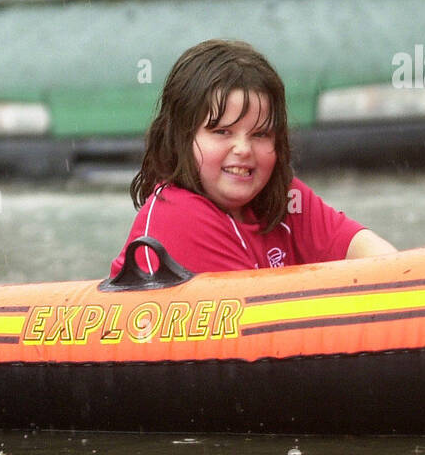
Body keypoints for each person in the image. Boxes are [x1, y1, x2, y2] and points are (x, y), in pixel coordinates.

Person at [110, 39, 396, 277]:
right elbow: (266, 324)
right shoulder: (176, 214)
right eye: (222, 131)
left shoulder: (285, 198)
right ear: (180, 138)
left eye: (260, 135)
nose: (243, 149)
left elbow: (382, 263)